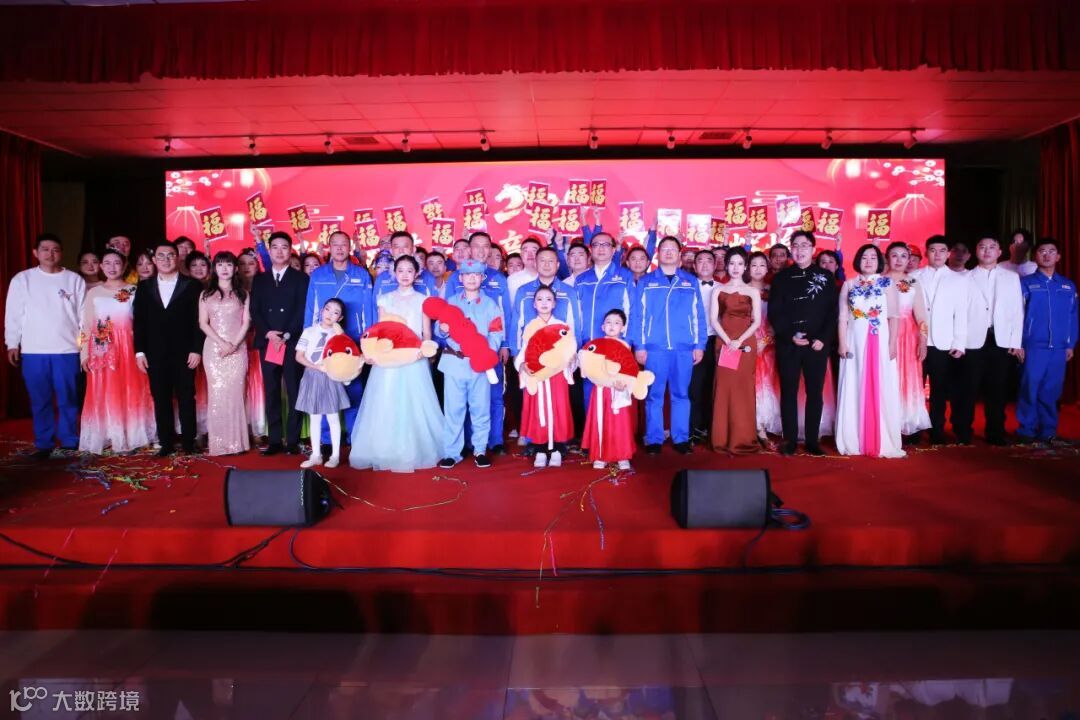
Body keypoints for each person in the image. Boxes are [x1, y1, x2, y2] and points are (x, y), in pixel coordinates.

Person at [350, 256, 443, 472]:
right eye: (400, 270)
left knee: (414, 403)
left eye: (409, 270)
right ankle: (385, 450)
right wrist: (373, 353)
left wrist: (426, 350)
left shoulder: (423, 300)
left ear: (416, 274)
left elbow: (426, 331)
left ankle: (413, 449)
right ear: (394, 273)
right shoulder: (385, 299)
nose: (405, 275)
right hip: (388, 357)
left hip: (414, 357)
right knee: (386, 401)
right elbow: (380, 330)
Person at [5, 234, 85, 459]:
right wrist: (12, 343)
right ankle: (44, 443)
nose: (50, 254)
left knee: (68, 399)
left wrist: (84, 346)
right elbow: (14, 314)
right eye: (45, 249)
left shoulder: (74, 279)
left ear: (61, 253)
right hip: (34, 351)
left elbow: (83, 316)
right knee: (40, 400)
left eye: (55, 249)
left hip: (68, 350)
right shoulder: (23, 279)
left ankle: (69, 440)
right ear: (35, 252)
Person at [630, 236, 707, 455]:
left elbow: (698, 315)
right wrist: (639, 345)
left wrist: (699, 344)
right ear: (658, 253)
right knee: (654, 395)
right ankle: (654, 439)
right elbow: (638, 316)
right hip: (655, 348)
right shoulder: (646, 282)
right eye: (664, 248)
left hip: (684, 348)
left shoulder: (689, 281)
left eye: (673, 248)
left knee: (681, 394)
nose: (669, 252)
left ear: (679, 254)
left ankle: (680, 438)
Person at [768, 230, 839, 456]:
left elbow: (832, 312)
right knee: (788, 392)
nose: (800, 250)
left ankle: (811, 440)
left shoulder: (825, 277)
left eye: (804, 245)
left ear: (813, 249)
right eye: (795, 246)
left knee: (815, 393)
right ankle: (789, 440)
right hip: (788, 344)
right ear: (791, 249)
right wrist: (789, 335)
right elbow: (775, 312)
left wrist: (823, 339)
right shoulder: (781, 278)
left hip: (816, 345)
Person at [78, 249, 156, 454]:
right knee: (105, 391)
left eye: (117, 263)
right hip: (101, 349)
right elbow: (86, 325)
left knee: (131, 389)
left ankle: (133, 435)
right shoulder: (93, 293)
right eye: (107, 263)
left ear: (124, 266)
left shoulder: (134, 290)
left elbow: (143, 323)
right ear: (101, 266)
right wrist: (84, 353)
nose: (112, 267)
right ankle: (110, 435)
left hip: (129, 347)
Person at [133, 240, 204, 456]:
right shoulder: (144, 287)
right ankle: (166, 443)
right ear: (154, 260)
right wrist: (139, 352)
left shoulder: (192, 285)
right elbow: (139, 322)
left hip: (185, 352)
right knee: (160, 397)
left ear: (178, 258)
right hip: (155, 353)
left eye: (170, 255)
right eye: (161, 256)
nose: (166, 260)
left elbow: (198, 320)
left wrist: (196, 349)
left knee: (186, 396)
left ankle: (189, 442)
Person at [304, 230, 373, 451]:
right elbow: (312, 308)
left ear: (350, 247)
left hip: (353, 340)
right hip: (325, 342)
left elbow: (368, 310)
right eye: (335, 244)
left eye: (344, 244)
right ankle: (326, 440)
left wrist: (368, 340)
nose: (340, 248)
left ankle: (355, 437)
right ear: (329, 247)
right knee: (326, 390)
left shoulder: (361, 274)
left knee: (353, 390)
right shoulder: (318, 275)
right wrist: (309, 339)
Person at [444, 232, 513, 453]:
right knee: (462, 399)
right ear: (469, 249)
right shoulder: (455, 278)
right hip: (461, 354)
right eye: (476, 246)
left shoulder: (498, 278)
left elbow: (505, 314)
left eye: (486, 246)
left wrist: (505, 344)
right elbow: (446, 315)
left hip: (490, 349)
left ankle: (494, 441)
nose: (482, 250)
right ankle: (465, 443)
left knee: (493, 395)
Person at [835, 244, 904, 458]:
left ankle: (882, 439)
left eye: (873, 257)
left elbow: (894, 317)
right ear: (858, 260)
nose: (868, 261)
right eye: (864, 257)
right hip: (854, 341)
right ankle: (853, 438)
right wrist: (842, 343)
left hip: (879, 340)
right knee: (854, 383)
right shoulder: (849, 284)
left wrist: (892, 344)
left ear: (879, 261)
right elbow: (843, 317)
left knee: (881, 384)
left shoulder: (887, 284)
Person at [955, 236, 1024, 445]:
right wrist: (958, 342)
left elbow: (1017, 310)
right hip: (972, 339)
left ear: (1000, 252)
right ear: (976, 251)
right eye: (982, 247)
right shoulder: (965, 277)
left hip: (1000, 339)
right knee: (968, 387)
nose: (987, 251)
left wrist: (1016, 341)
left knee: (997, 388)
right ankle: (962, 432)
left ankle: (995, 432)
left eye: (992, 247)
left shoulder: (1011, 277)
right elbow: (959, 312)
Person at [437, 259, 504, 469]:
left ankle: (480, 450)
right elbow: (439, 330)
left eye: (476, 275)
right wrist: (443, 330)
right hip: (454, 362)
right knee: (453, 409)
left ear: (482, 278)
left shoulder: (490, 305)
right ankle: (451, 452)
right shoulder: (450, 302)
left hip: (479, 365)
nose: (472, 278)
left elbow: (496, 333)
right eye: (467, 274)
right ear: (461, 278)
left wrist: (484, 353)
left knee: (480, 408)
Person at [251, 231, 309, 456]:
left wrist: (286, 334)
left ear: (290, 250)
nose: (279, 251)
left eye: (284, 247)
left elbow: (302, 310)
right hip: (268, 342)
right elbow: (255, 309)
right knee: (272, 391)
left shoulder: (301, 278)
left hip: (291, 341)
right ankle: (275, 440)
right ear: (269, 250)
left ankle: (292, 440)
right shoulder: (260, 279)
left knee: (294, 390)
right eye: (274, 247)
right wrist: (268, 333)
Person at [1016, 238, 1077, 445]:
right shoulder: (1025, 283)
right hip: (1033, 346)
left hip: (1059, 348)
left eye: (1052, 251)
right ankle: (1026, 430)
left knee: (1051, 390)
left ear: (1058, 256)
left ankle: (1048, 430)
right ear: (1035, 256)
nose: (1047, 255)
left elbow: (1073, 317)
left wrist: (1070, 344)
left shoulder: (1067, 285)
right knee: (1030, 387)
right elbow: (1017, 315)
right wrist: (1019, 343)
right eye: (1042, 251)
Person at [915, 235, 971, 444]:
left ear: (948, 254)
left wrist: (959, 342)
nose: (937, 255)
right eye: (932, 250)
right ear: (926, 253)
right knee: (914, 387)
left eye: (941, 251)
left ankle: (937, 429)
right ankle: (913, 429)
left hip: (943, 342)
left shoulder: (959, 279)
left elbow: (961, 313)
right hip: (917, 341)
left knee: (940, 389)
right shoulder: (914, 276)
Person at [198, 252, 250, 456]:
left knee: (236, 395)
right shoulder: (205, 294)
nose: (224, 268)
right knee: (217, 394)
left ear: (235, 268)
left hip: (238, 349)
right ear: (215, 269)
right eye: (220, 265)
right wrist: (222, 343)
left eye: (229, 264)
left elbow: (246, 322)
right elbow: (203, 323)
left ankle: (237, 444)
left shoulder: (243, 293)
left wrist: (234, 345)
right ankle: (218, 444)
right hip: (214, 350)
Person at [516, 286, 575, 468]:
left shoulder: (561, 326)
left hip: (557, 375)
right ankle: (540, 449)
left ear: (554, 303)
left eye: (548, 299)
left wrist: (569, 360)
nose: (544, 303)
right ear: (534, 304)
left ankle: (557, 448)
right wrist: (522, 365)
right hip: (537, 376)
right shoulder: (530, 326)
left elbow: (569, 349)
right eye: (539, 299)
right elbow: (524, 350)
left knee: (557, 408)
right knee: (537, 410)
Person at [710, 248, 761, 454]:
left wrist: (738, 340)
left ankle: (743, 438)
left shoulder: (753, 292)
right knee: (724, 387)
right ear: (726, 265)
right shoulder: (718, 290)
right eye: (732, 263)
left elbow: (757, 321)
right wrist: (728, 341)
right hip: (724, 343)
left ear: (745, 266)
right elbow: (714, 320)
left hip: (745, 343)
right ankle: (722, 438)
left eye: (740, 264)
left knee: (743, 388)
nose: (735, 268)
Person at [575, 231, 634, 404]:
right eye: (596, 245)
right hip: (589, 345)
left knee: (614, 396)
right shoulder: (582, 279)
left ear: (614, 249)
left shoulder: (625, 276)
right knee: (590, 396)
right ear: (590, 250)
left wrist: (627, 342)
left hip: (616, 346)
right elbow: (576, 315)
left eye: (606, 244)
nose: (600, 248)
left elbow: (632, 311)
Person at [884, 242, 932, 442]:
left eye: (903, 256)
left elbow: (921, 315)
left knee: (908, 378)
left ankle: (908, 422)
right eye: (894, 255)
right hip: (883, 334)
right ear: (887, 258)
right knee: (886, 378)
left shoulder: (913, 282)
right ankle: (885, 423)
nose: (899, 260)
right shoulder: (878, 281)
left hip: (908, 336)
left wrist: (923, 340)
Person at [295, 299, 351, 468]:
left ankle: (335, 456)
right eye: (327, 309)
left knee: (333, 417)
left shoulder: (339, 336)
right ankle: (316, 455)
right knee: (315, 418)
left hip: (331, 378)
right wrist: (316, 367)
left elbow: (346, 358)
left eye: (335, 312)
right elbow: (299, 356)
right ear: (321, 310)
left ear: (340, 318)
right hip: (312, 376)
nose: (330, 314)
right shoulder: (309, 331)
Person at [580, 309, 637, 471]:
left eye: (617, 323)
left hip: (619, 390)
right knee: (601, 419)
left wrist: (623, 384)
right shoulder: (595, 345)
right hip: (600, 390)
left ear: (623, 328)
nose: (612, 326)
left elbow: (629, 370)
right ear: (602, 326)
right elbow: (587, 366)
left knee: (620, 423)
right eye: (608, 322)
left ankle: (622, 455)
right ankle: (600, 454)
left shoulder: (625, 346)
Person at [747, 251, 782, 446]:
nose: (758, 269)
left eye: (762, 265)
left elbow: (780, 318)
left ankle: (767, 423)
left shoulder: (774, 290)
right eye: (754, 265)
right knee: (752, 385)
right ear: (748, 268)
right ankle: (755, 425)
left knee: (769, 384)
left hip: (769, 345)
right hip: (748, 343)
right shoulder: (742, 289)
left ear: (767, 268)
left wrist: (767, 340)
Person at [689, 249, 718, 442]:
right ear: (694, 265)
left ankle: (710, 428)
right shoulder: (686, 286)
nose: (705, 264)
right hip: (693, 342)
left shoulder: (723, 288)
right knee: (694, 387)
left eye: (709, 260)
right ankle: (693, 428)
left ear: (715, 265)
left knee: (713, 386)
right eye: (700, 260)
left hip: (717, 341)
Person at [373, 231, 437, 298]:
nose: (401, 251)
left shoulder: (427, 277)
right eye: (397, 247)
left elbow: (434, 302)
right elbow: (375, 303)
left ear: (413, 250)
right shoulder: (382, 278)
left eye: (405, 246)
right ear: (391, 251)